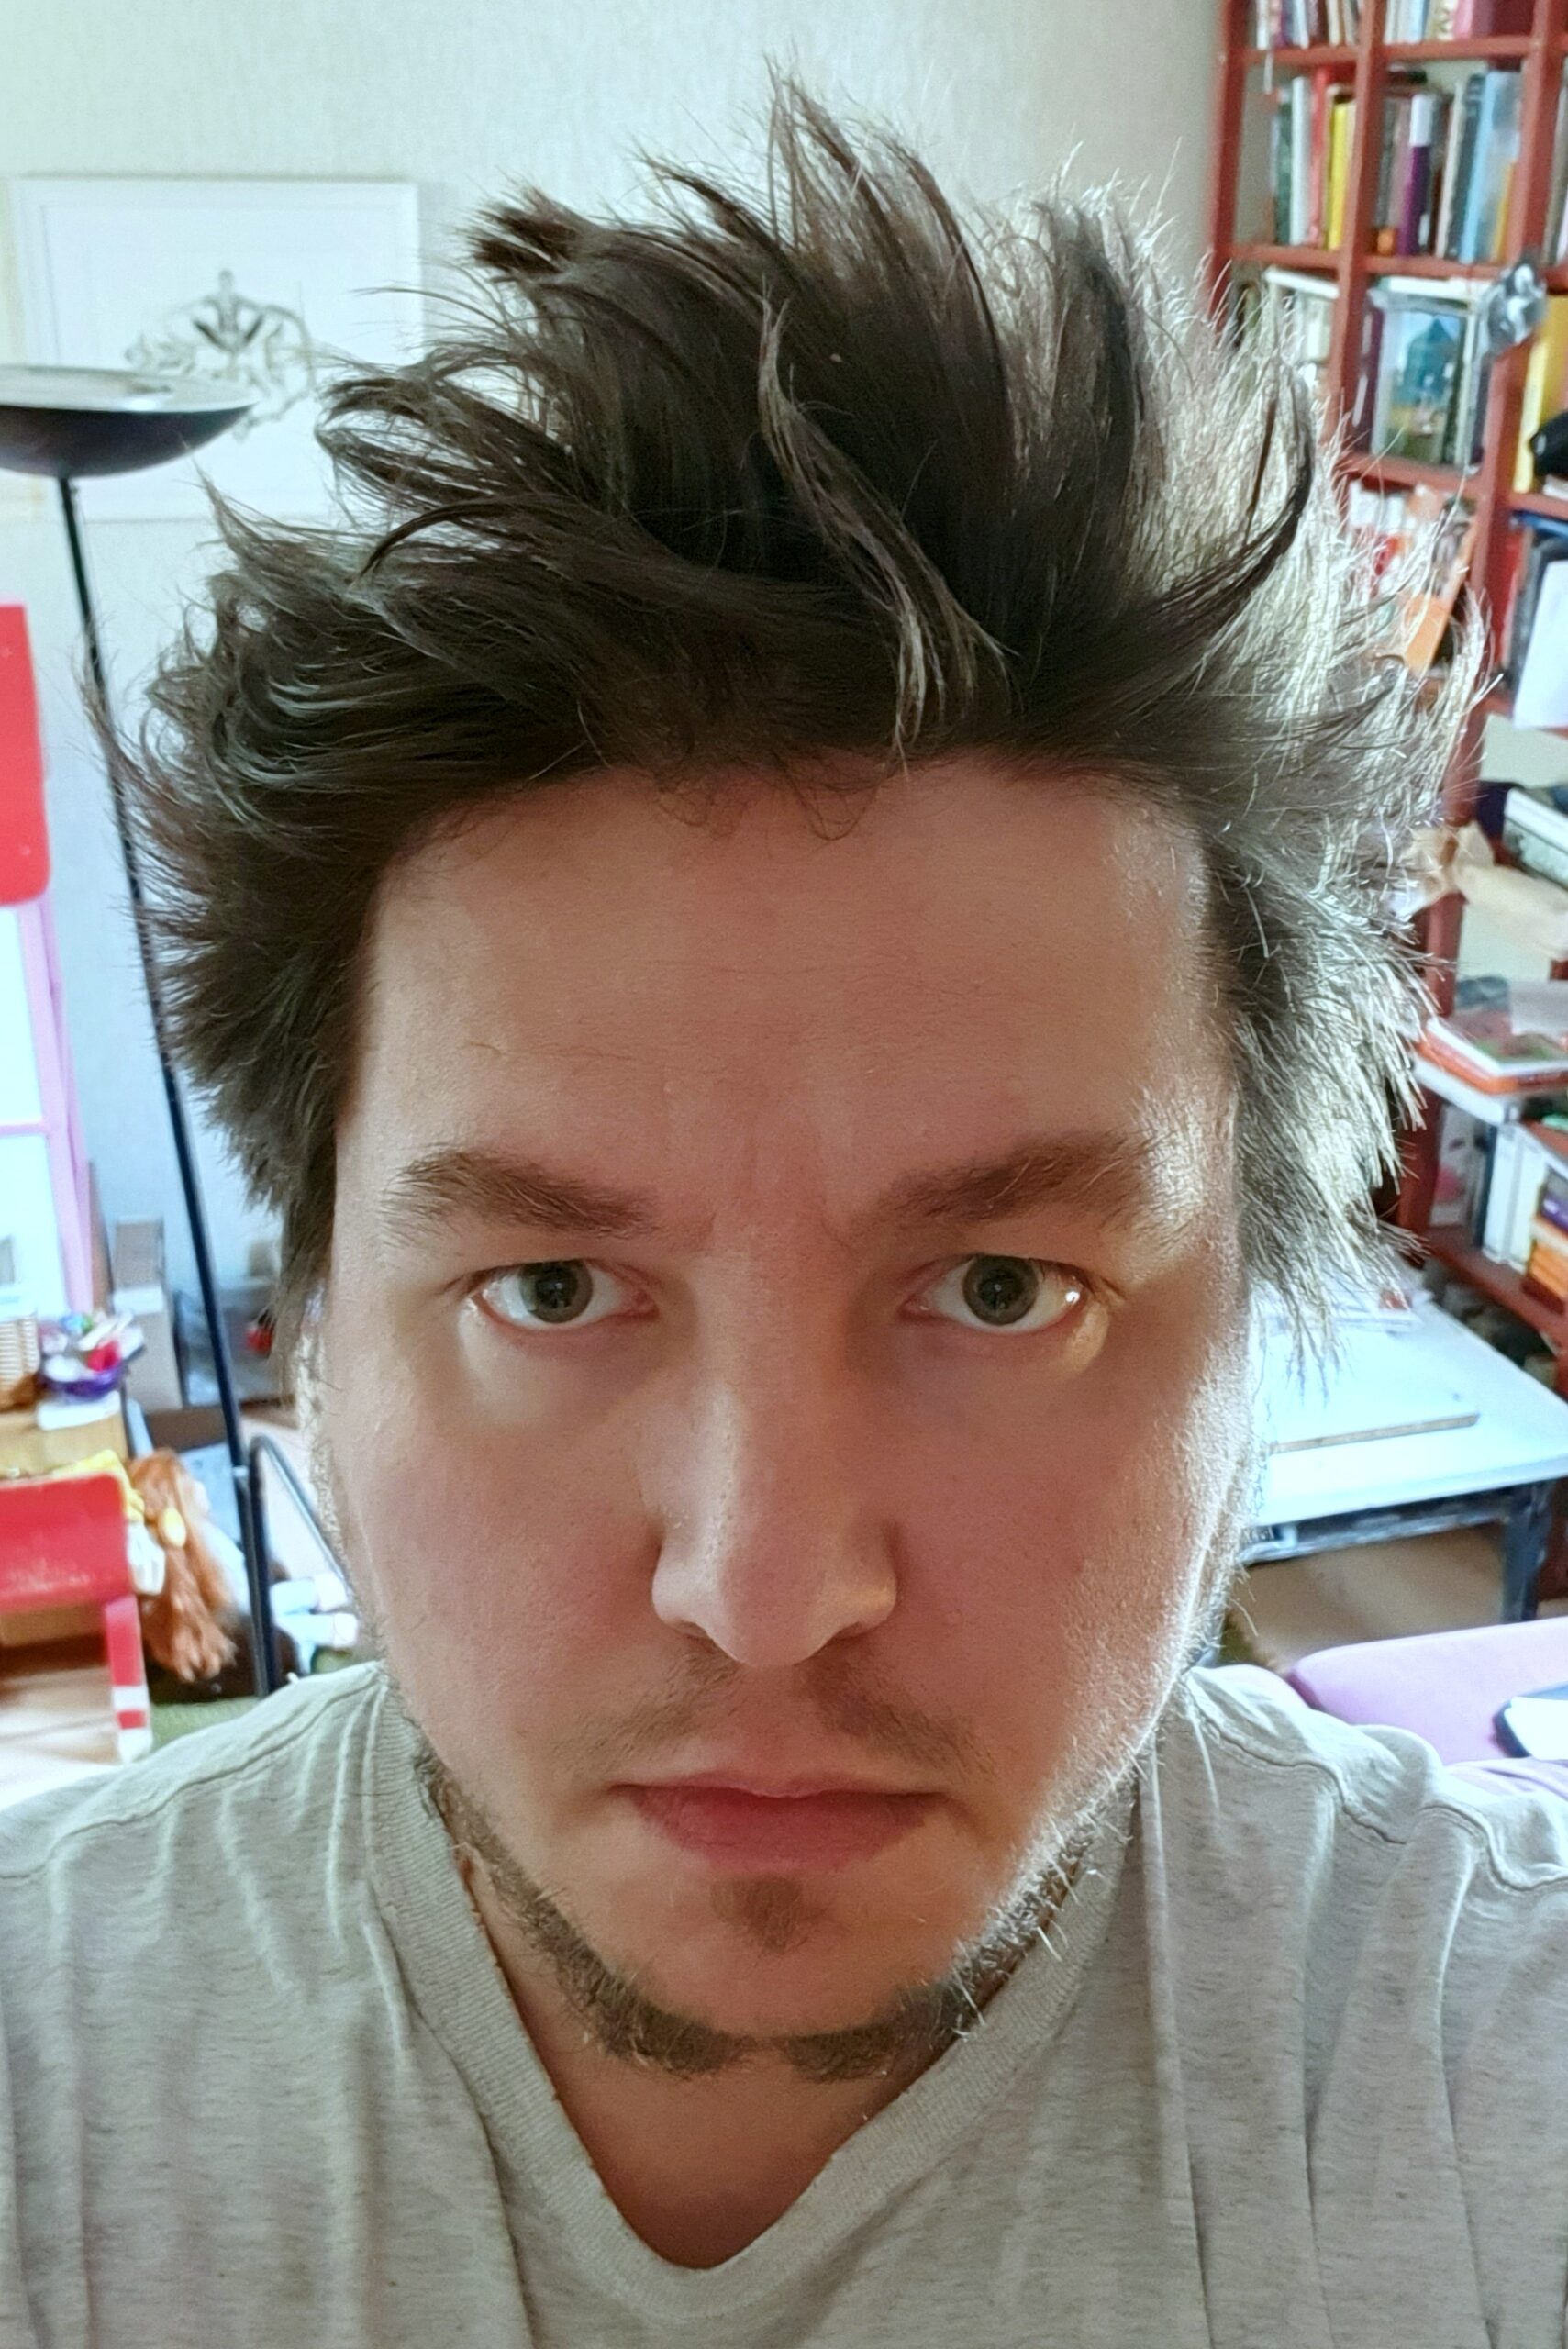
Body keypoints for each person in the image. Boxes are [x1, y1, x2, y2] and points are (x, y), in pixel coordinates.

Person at [4, 83, 1565, 2349]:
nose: (763, 1591)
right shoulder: (49, 2083)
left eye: (1004, 1288)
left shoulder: (1488, 2064)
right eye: (552, 1286)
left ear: (1262, 1338)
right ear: (309, 1340)